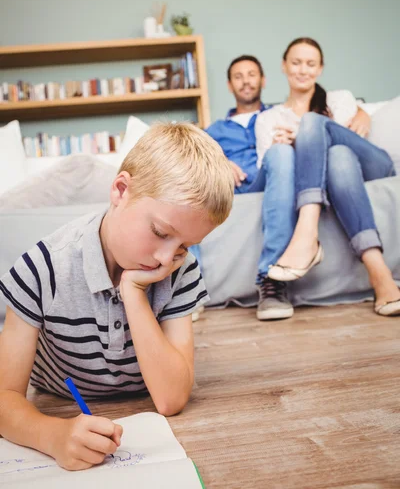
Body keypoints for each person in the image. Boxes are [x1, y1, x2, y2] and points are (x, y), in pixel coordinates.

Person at [0, 122, 234, 471]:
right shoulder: (42, 267)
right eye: (159, 232)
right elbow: (5, 398)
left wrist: (134, 292)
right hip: (59, 404)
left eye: (184, 245)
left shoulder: (180, 270)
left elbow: (171, 399)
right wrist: (51, 435)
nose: (164, 259)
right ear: (121, 190)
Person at [206, 55, 370, 321]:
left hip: (282, 179)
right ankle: (271, 279)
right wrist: (218, 161)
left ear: (263, 80)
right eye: (238, 76)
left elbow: (329, 122)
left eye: (251, 74)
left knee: (281, 153)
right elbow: (192, 156)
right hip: (243, 187)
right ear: (229, 85)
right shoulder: (214, 129)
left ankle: (271, 282)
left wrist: (363, 112)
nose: (246, 81)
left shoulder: (279, 114)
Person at [256, 37, 399, 317]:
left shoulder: (339, 99)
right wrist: (290, 148)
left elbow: (354, 138)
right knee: (337, 158)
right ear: (284, 66)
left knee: (317, 127)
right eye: (296, 63)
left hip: (371, 165)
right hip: (341, 168)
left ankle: (307, 233)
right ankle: (380, 275)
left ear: (320, 69)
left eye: (310, 64)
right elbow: (270, 169)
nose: (303, 70)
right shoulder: (269, 119)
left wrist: (304, 137)